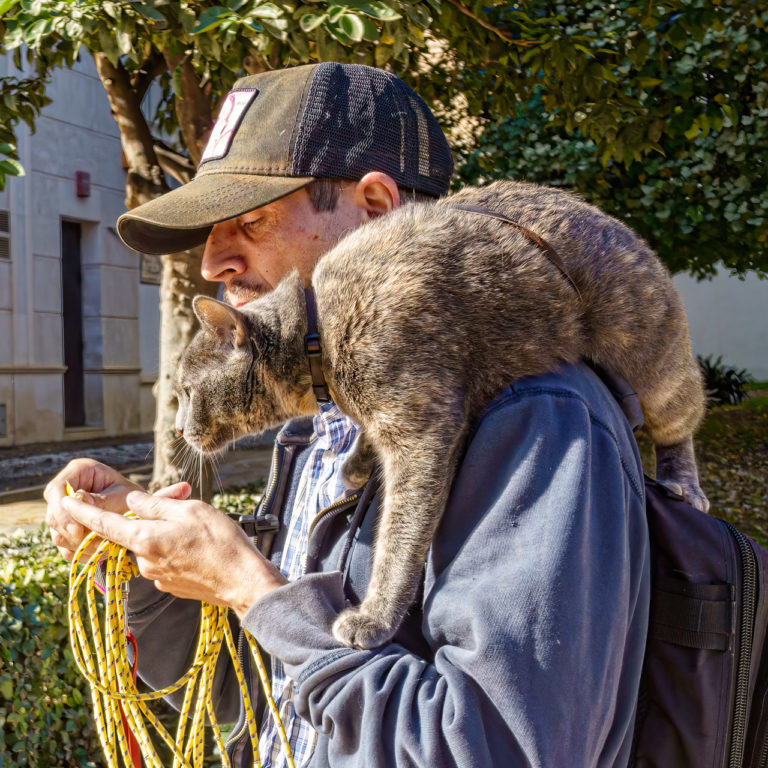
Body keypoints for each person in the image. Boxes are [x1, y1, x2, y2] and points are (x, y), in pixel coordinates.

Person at [45, 62, 650, 767]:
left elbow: (495, 749)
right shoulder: (320, 426)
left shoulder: (536, 419)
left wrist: (252, 588)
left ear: (376, 207)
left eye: (249, 218)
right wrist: (143, 566)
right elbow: (262, 702)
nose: (214, 262)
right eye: (211, 228)